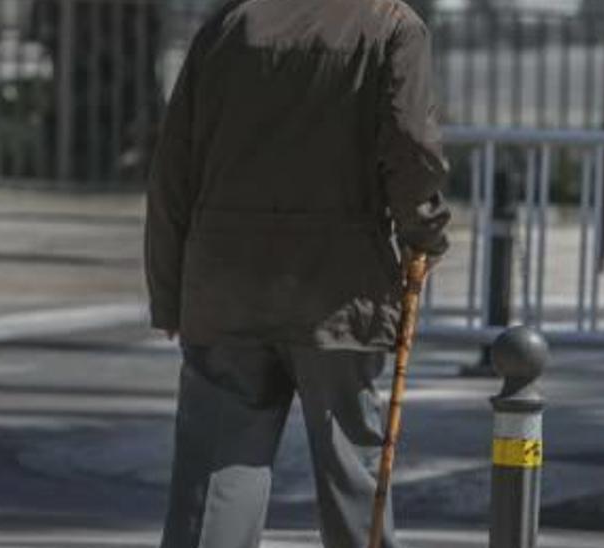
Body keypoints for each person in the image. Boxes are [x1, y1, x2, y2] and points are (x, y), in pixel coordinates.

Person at [143, 0, 450, 546]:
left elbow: (172, 171)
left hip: (225, 283)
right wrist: (424, 232)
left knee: (218, 470)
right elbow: (410, 150)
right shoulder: (391, 26)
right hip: (338, 284)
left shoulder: (229, 25)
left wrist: (168, 294)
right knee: (350, 469)